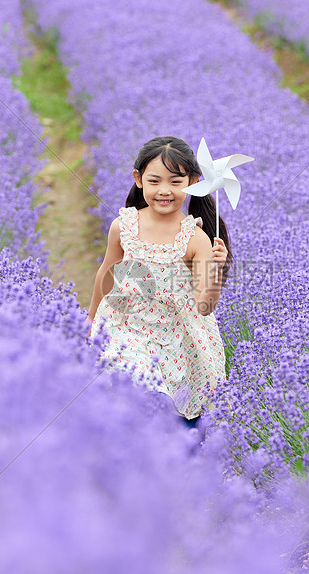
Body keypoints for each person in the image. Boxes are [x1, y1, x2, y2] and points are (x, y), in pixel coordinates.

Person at [85, 136, 232, 432]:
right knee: (138, 393)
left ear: (193, 182)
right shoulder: (123, 226)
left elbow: (204, 306)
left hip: (177, 336)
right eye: (155, 181)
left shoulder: (195, 238)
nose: (164, 191)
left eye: (175, 182)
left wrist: (215, 273)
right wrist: (90, 319)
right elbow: (107, 274)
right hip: (126, 326)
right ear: (139, 180)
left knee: (180, 421)